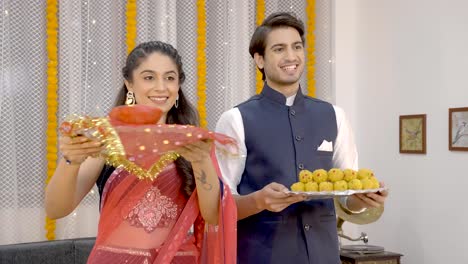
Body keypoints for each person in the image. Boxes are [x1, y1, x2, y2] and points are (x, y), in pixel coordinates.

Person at [215, 12, 388, 264]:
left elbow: (347, 193)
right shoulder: (235, 119)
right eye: (279, 49)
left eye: (297, 47)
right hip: (261, 256)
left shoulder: (334, 116)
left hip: (324, 256)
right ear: (259, 59)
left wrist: (363, 201)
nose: (291, 56)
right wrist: (258, 201)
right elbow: (218, 207)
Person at [45, 41, 236, 264]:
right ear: (129, 84)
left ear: (178, 86)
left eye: (169, 78)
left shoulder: (193, 142)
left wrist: (201, 159)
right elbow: (55, 209)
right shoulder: (107, 137)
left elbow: (213, 216)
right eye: (149, 77)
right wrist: (71, 161)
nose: (161, 87)